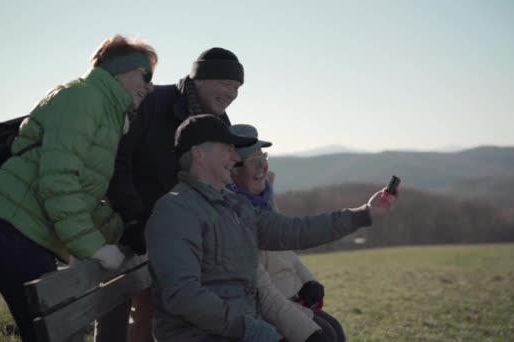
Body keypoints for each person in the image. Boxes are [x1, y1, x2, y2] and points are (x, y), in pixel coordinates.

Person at [0, 34, 157, 342]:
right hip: (8, 227)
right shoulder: (84, 98)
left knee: (54, 334)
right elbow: (59, 182)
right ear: (119, 70)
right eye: (145, 75)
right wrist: (94, 247)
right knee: (55, 335)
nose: (150, 86)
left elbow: (81, 194)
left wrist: (122, 229)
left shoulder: (106, 112)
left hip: (20, 229)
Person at [145, 114, 395, 341]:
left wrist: (365, 214)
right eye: (228, 149)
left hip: (243, 328)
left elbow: (295, 231)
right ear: (199, 153)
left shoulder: (234, 207)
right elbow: (183, 295)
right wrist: (251, 330)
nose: (234, 158)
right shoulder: (175, 212)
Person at [103, 47, 244, 342]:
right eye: (226, 84)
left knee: (160, 312)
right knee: (136, 313)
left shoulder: (220, 124)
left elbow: (220, 180)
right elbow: (118, 160)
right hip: (130, 228)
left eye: (237, 87)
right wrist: (135, 217)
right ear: (201, 79)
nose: (232, 93)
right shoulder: (155, 103)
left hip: (183, 235)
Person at [230, 124, 346, 342]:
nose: (262, 166)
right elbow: (259, 290)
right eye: (253, 160)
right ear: (232, 168)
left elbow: (286, 250)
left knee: (334, 329)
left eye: (263, 156)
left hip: (293, 299)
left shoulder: (265, 199)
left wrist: (309, 281)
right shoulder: (233, 213)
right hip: (271, 308)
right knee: (326, 334)